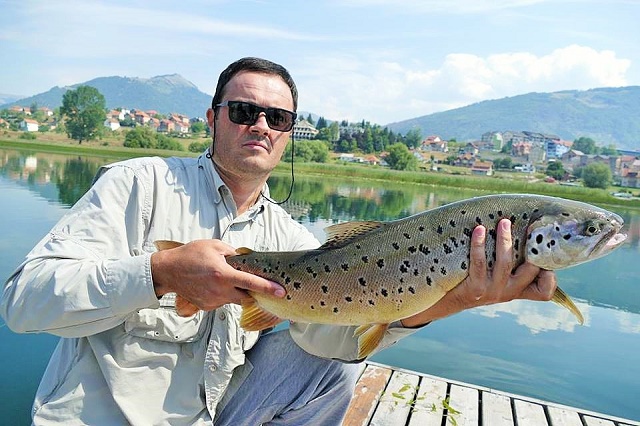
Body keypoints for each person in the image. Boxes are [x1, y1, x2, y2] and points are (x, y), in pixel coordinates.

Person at [0, 57, 558, 425]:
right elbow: (22, 302)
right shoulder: (139, 184)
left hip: (214, 417)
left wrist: (455, 299)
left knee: (337, 363)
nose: (261, 125)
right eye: (245, 111)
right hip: (107, 418)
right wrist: (160, 273)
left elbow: (332, 342)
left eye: (278, 117)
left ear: (290, 132)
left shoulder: (291, 238)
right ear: (213, 118)